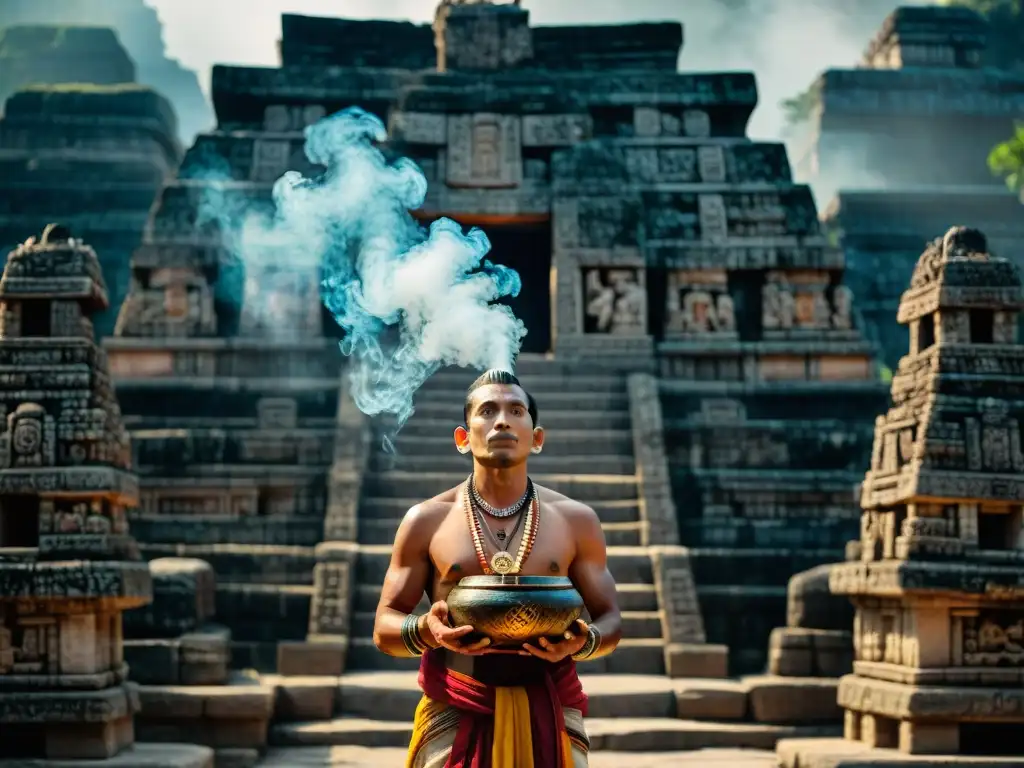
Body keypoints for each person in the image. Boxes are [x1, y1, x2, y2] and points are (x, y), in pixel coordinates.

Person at [372, 368, 622, 768]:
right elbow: (384, 627)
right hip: (454, 711)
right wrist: (426, 629)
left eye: (516, 410)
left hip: (551, 707)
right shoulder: (426, 520)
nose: (502, 420)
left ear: (537, 438)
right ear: (462, 437)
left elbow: (611, 621)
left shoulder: (576, 521)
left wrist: (583, 641)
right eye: (487, 410)